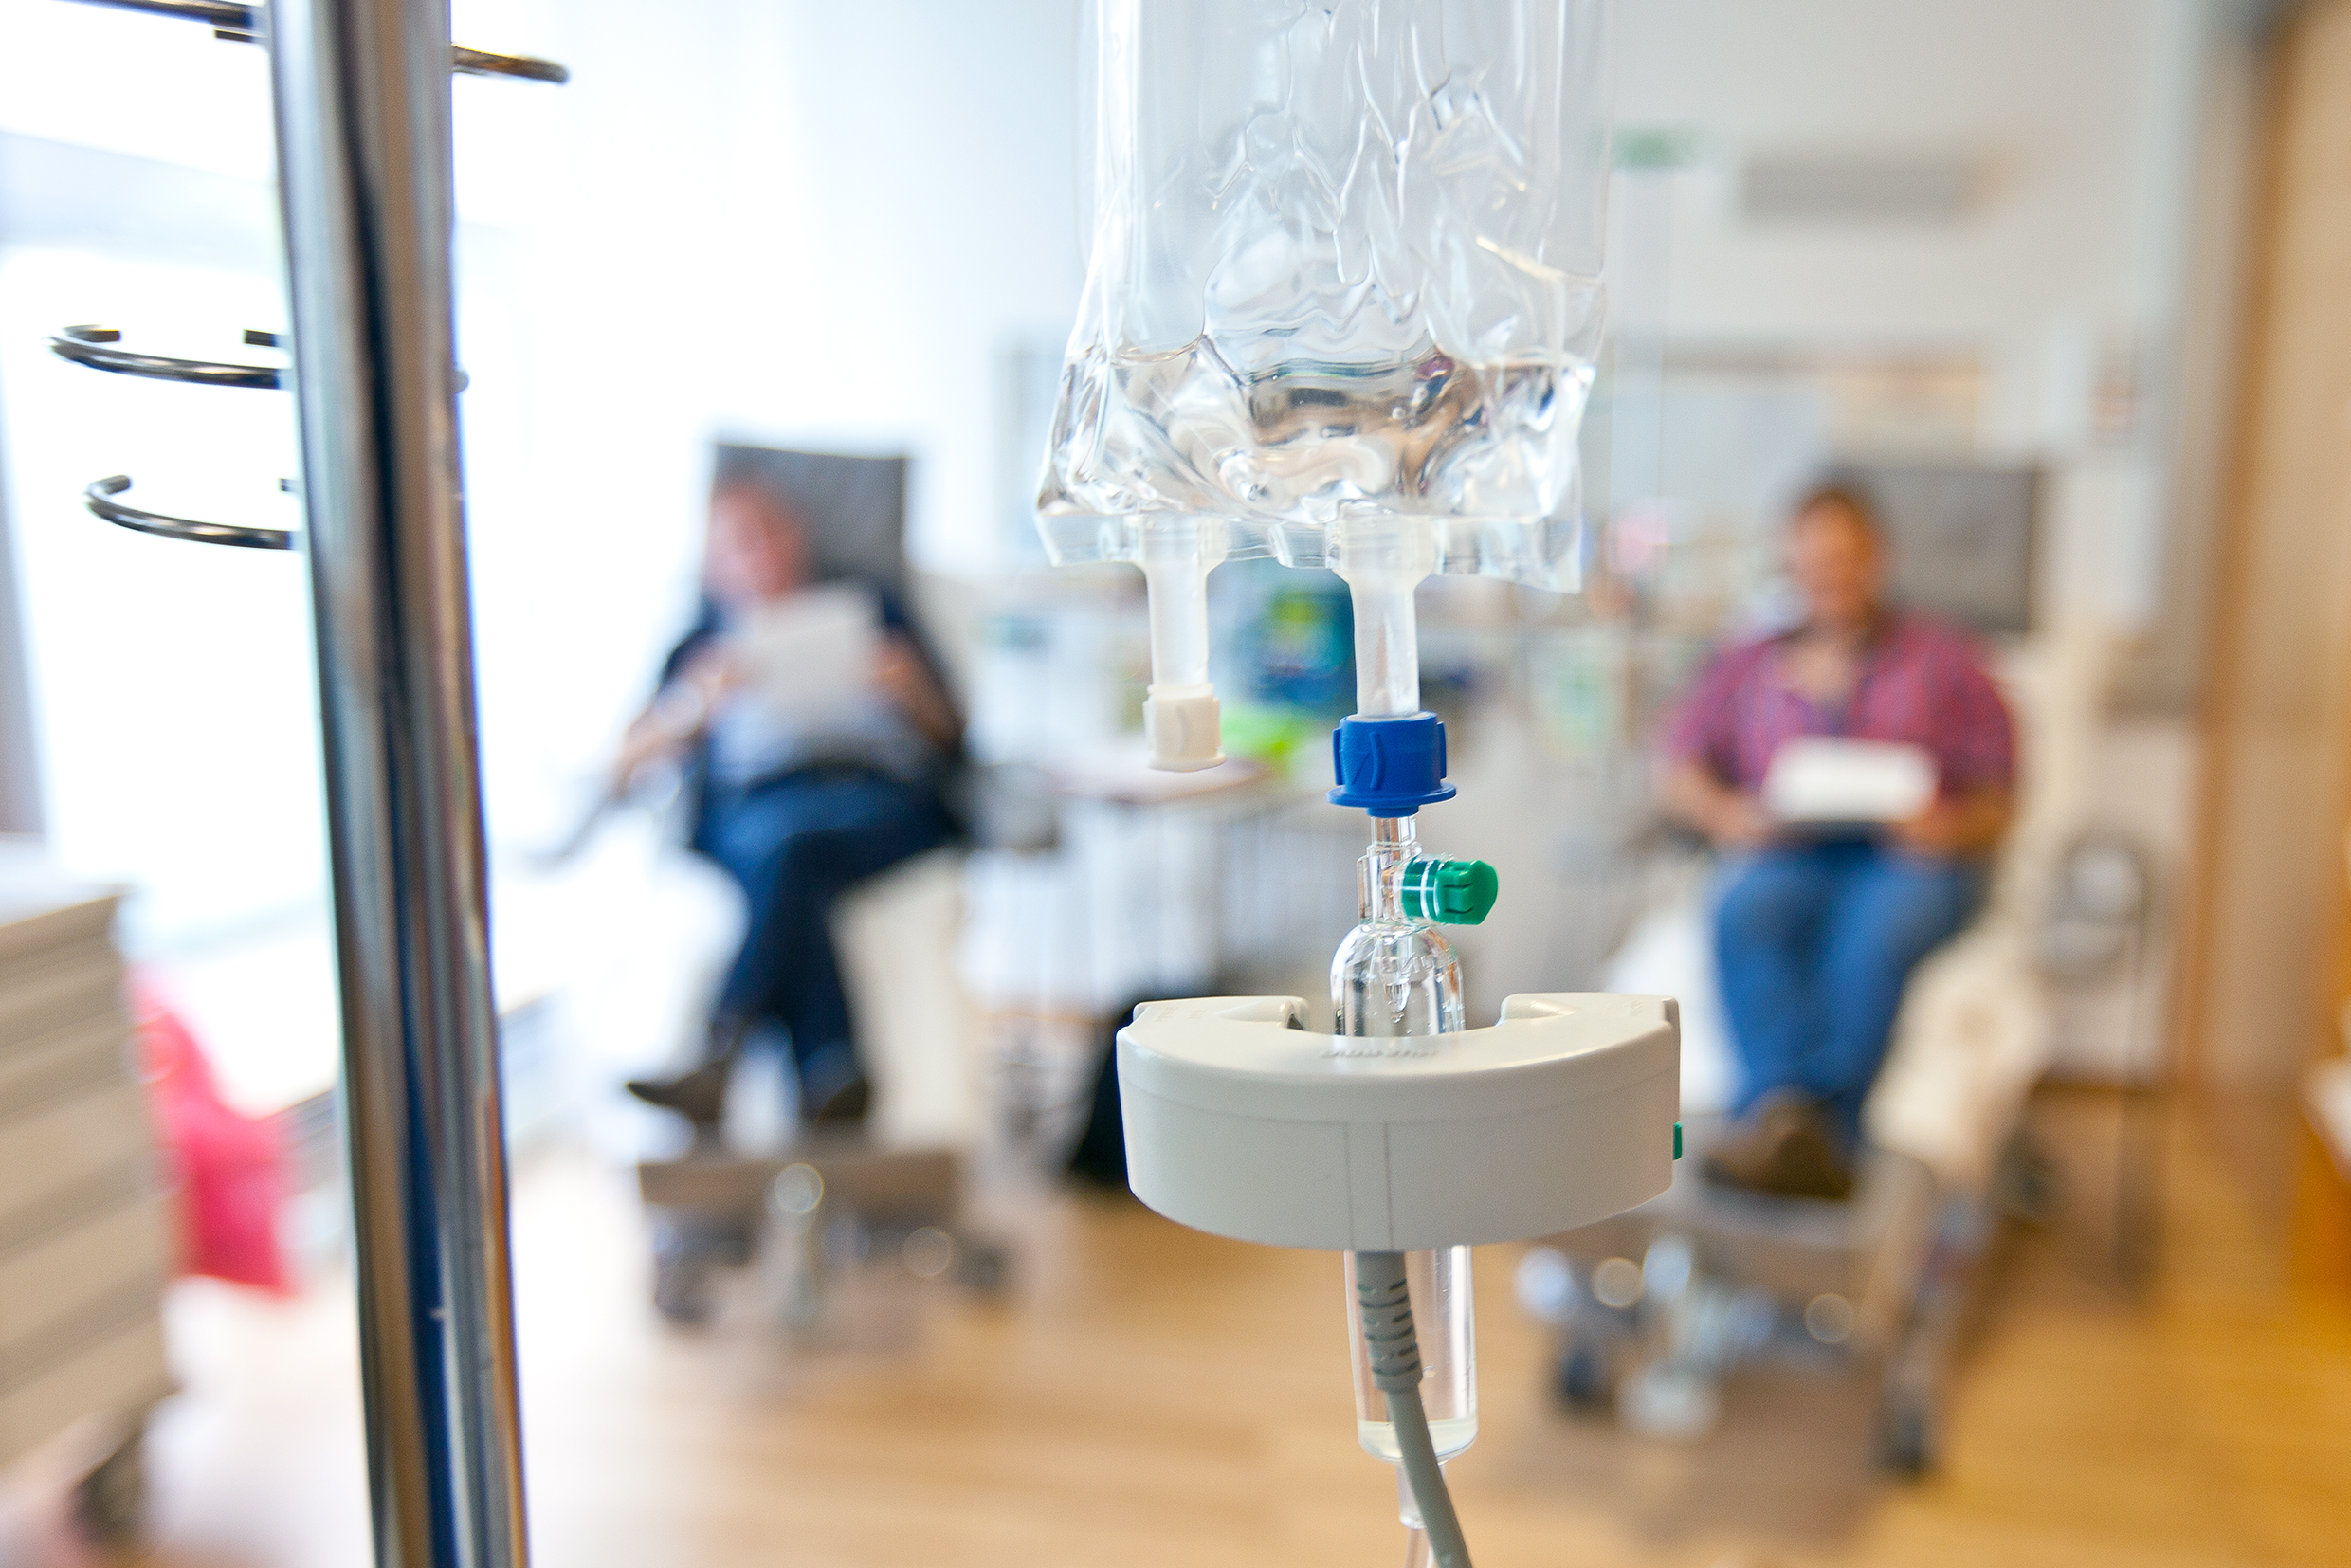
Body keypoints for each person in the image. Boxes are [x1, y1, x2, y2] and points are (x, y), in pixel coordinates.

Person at [1659, 484, 2015, 1199]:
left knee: (1880, 933)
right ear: (1790, 567)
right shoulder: (1749, 661)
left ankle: (1815, 1132)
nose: (1830, 578)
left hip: (1904, 859)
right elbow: (1678, 766)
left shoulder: (1945, 659)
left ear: (1880, 559)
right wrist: (1729, 815)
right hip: (1788, 851)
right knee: (1745, 912)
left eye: (1846, 561)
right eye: (1813, 564)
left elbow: (2000, 791)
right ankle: (1786, 1116)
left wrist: (1948, 829)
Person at [617, 475, 960, 1131]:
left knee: (789, 850)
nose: (764, 552)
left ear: (800, 535)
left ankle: (721, 1051)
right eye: (741, 544)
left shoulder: (871, 607)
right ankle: (832, 1070)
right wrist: (693, 703)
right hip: (757, 811)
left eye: (773, 531)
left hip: (872, 798)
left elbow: (955, 734)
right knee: (789, 852)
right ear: (714, 568)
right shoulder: (702, 641)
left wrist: (910, 688)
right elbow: (624, 763)